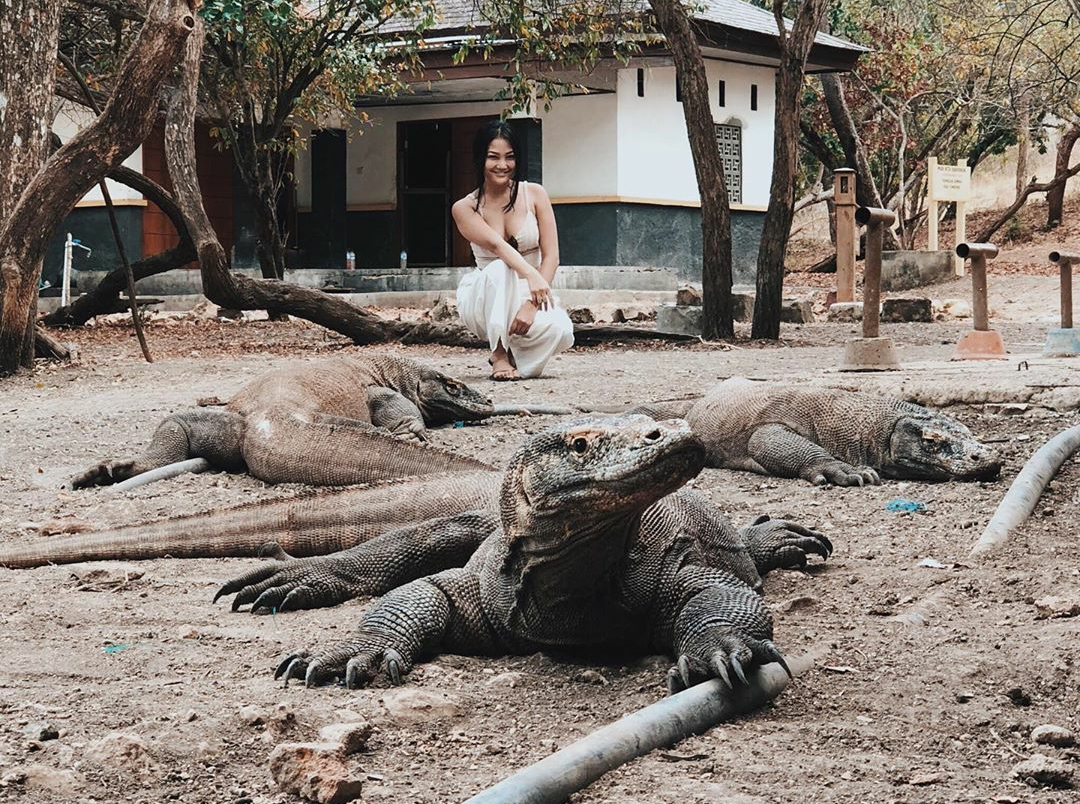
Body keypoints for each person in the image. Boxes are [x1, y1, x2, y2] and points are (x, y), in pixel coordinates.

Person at [453, 120, 574, 380]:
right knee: (500, 267)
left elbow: (552, 255)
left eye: (509, 157)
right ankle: (498, 353)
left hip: (528, 293)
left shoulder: (535, 194)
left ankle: (516, 355)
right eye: (493, 157)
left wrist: (532, 304)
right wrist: (532, 275)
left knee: (560, 330)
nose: (502, 165)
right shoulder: (465, 207)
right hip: (486, 295)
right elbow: (497, 246)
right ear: (480, 159)